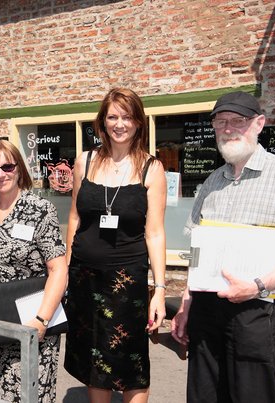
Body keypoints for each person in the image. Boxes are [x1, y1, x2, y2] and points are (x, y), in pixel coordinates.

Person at [170, 91, 275, 402]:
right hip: (206, 308)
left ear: (259, 124)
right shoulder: (211, 182)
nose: (228, 128)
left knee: (253, 396)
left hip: (257, 309)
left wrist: (258, 285)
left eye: (238, 121)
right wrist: (185, 305)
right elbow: (197, 251)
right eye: (221, 122)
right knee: (204, 395)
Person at [64, 87, 167, 403]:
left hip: (126, 281)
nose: (119, 124)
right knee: (95, 359)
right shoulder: (85, 161)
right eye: (112, 117)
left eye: (127, 117)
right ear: (102, 121)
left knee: (130, 360)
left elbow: (156, 233)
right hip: (84, 277)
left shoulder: (153, 168)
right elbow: (74, 220)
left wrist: (159, 290)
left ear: (138, 122)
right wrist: (66, 273)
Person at [0, 139, 68, 402]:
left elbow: (58, 269)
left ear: (19, 168)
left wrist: (42, 320)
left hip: (31, 319)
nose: (0, 174)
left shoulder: (40, 210)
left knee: (27, 392)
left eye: (7, 166)